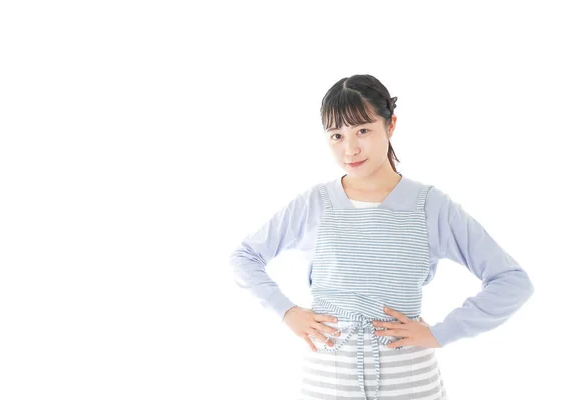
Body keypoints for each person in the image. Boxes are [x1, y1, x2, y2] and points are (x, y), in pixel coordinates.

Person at [228, 74, 534, 400]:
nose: (350, 148)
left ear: (390, 125)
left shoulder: (430, 205)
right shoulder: (314, 203)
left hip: (411, 383)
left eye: (363, 130)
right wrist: (287, 311)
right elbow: (244, 257)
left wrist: (442, 333)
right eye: (336, 135)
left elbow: (512, 281)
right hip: (327, 383)